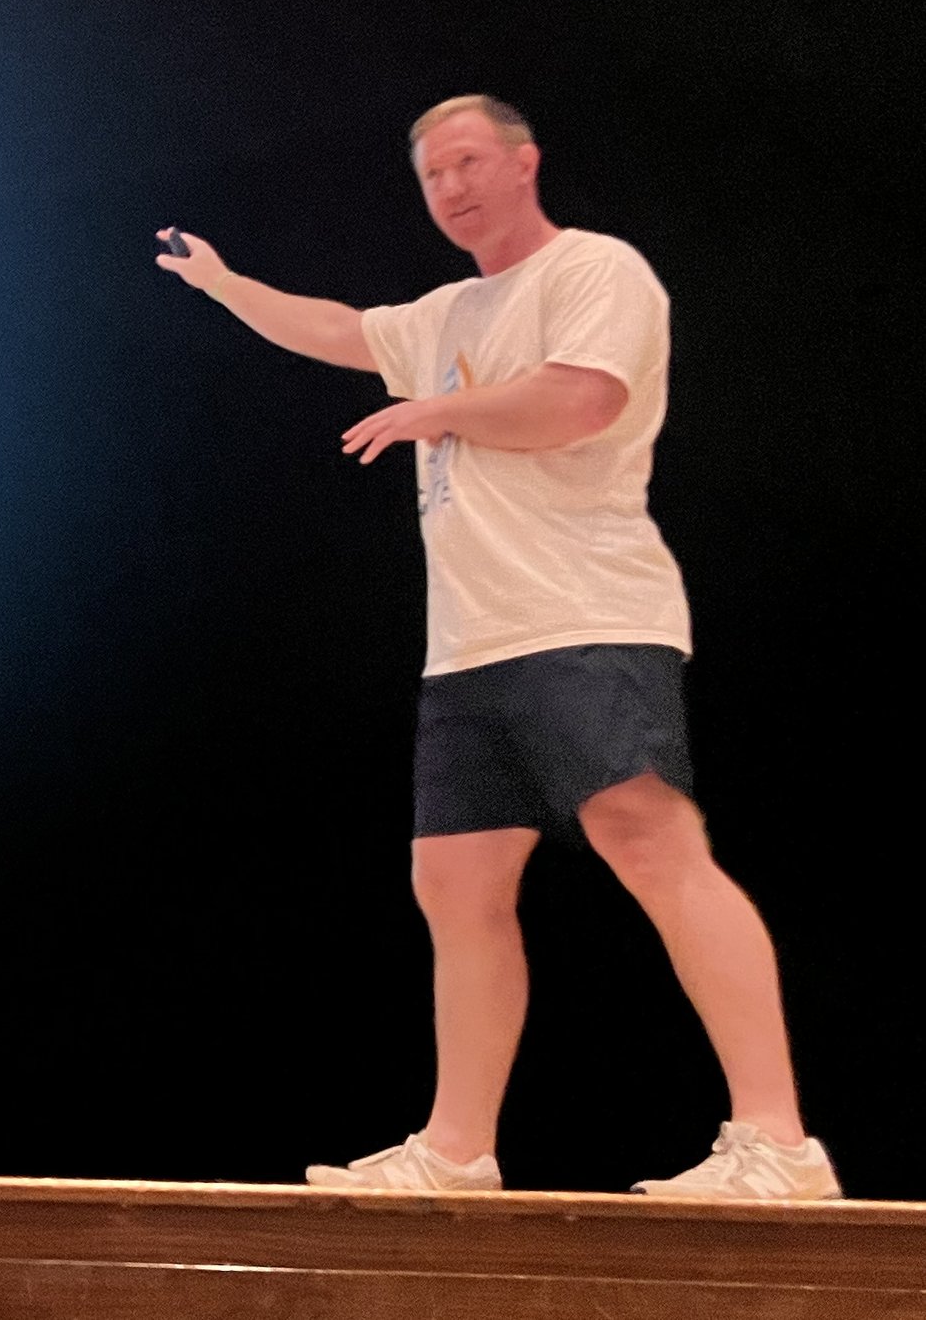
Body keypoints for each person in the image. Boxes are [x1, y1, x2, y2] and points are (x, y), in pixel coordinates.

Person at [156, 94, 837, 1200]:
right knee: (455, 881)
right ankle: (457, 1150)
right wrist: (223, 284)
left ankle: (778, 1142)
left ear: (524, 162)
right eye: (433, 177)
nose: (453, 188)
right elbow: (334, 328)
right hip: (470, 647)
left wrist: (432, 415)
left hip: (586, 617)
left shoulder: (594, 271)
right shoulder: (443, 313)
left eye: (468, 162)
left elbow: (576, 402)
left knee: (650, 843)